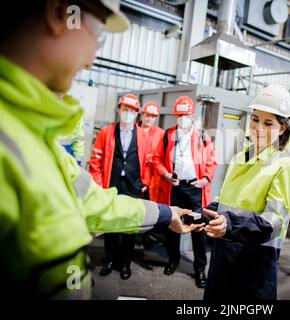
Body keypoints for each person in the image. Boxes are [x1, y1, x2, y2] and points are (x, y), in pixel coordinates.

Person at [0, 0, 195, 299]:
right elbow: (97, 167)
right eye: (98, 34)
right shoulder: (14, 142)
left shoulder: (36, 139)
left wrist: (165, 213)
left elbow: (94, 202)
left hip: (132, 190)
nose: (92, 58)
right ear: (59, 13)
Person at [199, 85, 290, 300]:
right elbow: (224, 200)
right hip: (224, 252)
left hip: (255, 259)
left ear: (282, 129)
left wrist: (229, 224)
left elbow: (274, 222)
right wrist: (203, 214)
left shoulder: (284, 167)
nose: (258, 127)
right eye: (255, 119)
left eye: (268, 123)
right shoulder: (238, 158)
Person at [154, 96, 217, 288]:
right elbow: (157, 160)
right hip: (175, 187)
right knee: (172, 224)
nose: (183, 118)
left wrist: (206, 179)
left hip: (195, 189)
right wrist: (165, 175)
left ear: (192, 115)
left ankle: (199, 269)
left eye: (186, 114)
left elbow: (212, 161)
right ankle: (172, 261)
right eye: (179, 115)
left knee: (198, 228)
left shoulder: (203, 136)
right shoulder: (167, 136)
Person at [89, 93, 151, 280]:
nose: (128, 114)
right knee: (110, 223)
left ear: (137, 114)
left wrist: (145, 183)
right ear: (119, 110)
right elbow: (95, 161)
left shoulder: (142, 135)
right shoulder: (106, 132)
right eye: (125, 110)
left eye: (132, 111)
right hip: (111, 184)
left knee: (130, 225)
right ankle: (109, 260)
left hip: (133, 185)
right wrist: (100, 185)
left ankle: (125, 263)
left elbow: (148, 161)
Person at [139, 101, 165, 201]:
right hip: (135, 176)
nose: (150, 119)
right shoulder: (133, 131)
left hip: (154, 179)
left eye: (153, 117)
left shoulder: (161, 134)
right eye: (147, 116)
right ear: (142, 115)